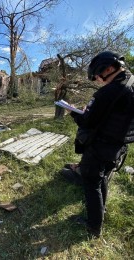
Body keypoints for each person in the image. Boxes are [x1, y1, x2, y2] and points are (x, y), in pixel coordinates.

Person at [64, 51, 134, 238]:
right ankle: (101, 213)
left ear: (110, 69)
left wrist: (74, 112)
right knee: (102, 178)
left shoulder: (110, 91)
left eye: (98, 74)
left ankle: (94, 226)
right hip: (117, 146)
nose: (97, 79)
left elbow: (87, 122)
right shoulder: (131, 83)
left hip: (100, 146)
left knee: (91, 182)